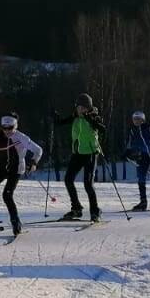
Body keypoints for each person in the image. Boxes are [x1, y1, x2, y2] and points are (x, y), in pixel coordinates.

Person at [53, 93, 107, 222]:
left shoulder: (94, 116)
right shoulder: (75, 117)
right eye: (78, 107)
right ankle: (76, 209)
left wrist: (90, 119)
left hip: (91, 153)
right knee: (68, 179)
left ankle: (95, 211)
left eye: (83, 107)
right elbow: (61, 123)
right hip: (77, 153)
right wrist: (56, 119)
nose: (80, 110)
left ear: (88, 107)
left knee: (88, 184)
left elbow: (102, 129)